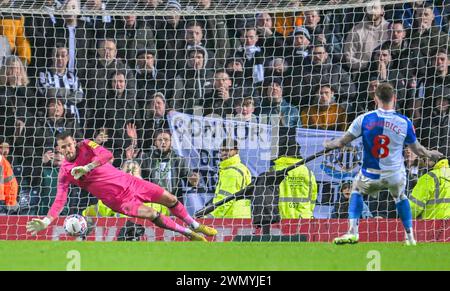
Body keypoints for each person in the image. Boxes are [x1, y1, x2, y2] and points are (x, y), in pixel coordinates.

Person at [26, 132, 217, 242]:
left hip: (131, 182)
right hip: (118, 201)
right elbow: (60, 199)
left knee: (171, 199)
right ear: (58, 149)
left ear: (74, 143)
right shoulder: (65, 172)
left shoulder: (86, 144)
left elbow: (107, 155)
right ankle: (189, 233)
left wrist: (88, 166)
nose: (67, 150)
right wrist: (47, 220)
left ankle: (196, 225)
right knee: (152, 214)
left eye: (69, 145)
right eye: (63, 148)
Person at [324, 82, 443, 245]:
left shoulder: (364, 119)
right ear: (394, 98)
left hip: (370, 174)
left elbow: (340, 143)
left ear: (375, 99)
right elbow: (418, 150)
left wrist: (327, 145)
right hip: (394, 175)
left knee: (356, 191)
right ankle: (410, 237)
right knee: (401, 197)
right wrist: (431, 153)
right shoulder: (404, 121)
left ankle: (352, 232)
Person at [210, 138, 252, 218]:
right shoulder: (242, 168)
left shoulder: (232, 171)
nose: (224, 153)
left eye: (228, 150)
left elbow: (226, 200)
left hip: (230, 216)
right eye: (222, 150)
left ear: (236, 151)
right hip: (243, 215)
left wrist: (213, 216)